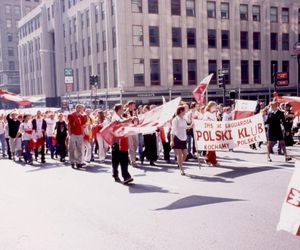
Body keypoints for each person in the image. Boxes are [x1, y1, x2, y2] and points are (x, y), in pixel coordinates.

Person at [111, 104, 133, 184]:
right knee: (116, 160)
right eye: (122, 108)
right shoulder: (115, 117)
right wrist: (130, 119)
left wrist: (133, 120)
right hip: (116, 141)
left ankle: (126, 176)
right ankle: (115, 174)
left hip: (123, 141)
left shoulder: (122, 117)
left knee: (124, 159)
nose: (123, 110)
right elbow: (119, 123)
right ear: (118, 110)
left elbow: (127, 123)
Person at [68, 104, 87, 169]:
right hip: (73, 134)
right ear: (76, 108)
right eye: (78, 108)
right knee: (72, 148)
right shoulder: (71, 115)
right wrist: (70, 133)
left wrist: (83, 133)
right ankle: (72, 161)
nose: (79, 109)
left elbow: (82, 125)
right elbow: (69, 125)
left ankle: (79, 162)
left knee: (79, 148)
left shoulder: (82, 116)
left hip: (80, 134)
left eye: (81, 108)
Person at [171, 106, 188, 176]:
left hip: (184, 138)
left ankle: (179, 163)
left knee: (185, 154)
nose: (185, 112)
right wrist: (172, 141)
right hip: (177, 138)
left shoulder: (184, 119)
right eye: (184, 110)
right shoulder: (175, 120)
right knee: (179, 155)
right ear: (181, 111)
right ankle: (181, 169)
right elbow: (173, 131)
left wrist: (192, 125)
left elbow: (186, 127)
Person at [203, 101, 218, 166]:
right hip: (208, 131)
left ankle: (212, 160)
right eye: (214, 106)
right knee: (211, 147)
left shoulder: (214, 114)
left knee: (214, 146)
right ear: (211, 106)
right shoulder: (207, 113)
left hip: (214, 131)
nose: (215, 107)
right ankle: (208, 158)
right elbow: (205, 122)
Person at [125, 101, 139, 167]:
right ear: (129, 106)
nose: (134, 107)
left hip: (135, 130)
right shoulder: (125, 113)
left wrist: (137, 119)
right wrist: (131, 119)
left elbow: (138, 121)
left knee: (136, 144)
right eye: (133, 105)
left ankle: (129, 157)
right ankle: (133, 161)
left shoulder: (135, 113)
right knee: (131, 146)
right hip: (128, 131)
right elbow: (124, 122)